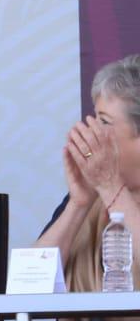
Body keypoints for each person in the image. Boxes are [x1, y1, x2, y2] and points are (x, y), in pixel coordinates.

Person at [37, 54, 140, 291]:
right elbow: (29, 284)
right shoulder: (90, 193)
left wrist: (110, 186)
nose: (91, 131)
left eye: (104, 122)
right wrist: (78, 204)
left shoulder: (106, 185)